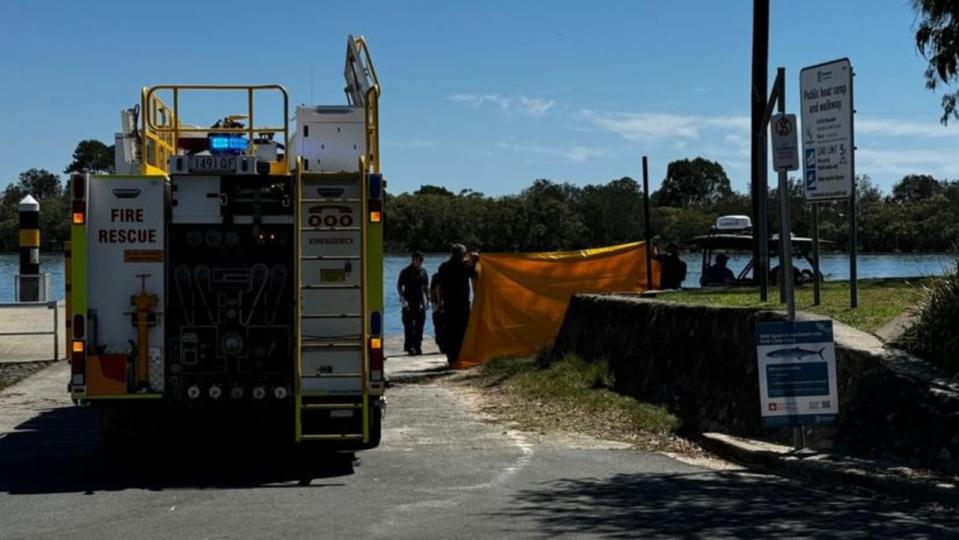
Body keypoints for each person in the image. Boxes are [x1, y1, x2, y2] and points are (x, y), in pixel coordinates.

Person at [435, 244, 478, 365]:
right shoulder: (463, 266)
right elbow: (474, 273)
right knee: (462, 330)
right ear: (460, 254)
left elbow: (438, 286)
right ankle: (460, 355)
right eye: (464, 253)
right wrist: (474, 260)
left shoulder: (443, 267)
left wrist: (439, 303)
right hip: (462, 303)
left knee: (450, 330)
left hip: (448, 304)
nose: (465, 255)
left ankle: (451, 357)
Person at [397, 251, 429, 355]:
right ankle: (410, 347)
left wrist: (428, 299)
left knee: (420, 326)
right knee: (409, 326)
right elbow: (399, 285)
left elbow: (425, 287)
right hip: (408, 302)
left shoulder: (423, 272)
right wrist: (402, 298)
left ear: (421, 261)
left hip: (420, 302)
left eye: (418, 260)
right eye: (414, 259)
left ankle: (418, 346)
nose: (416, 261)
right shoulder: (405, 271)